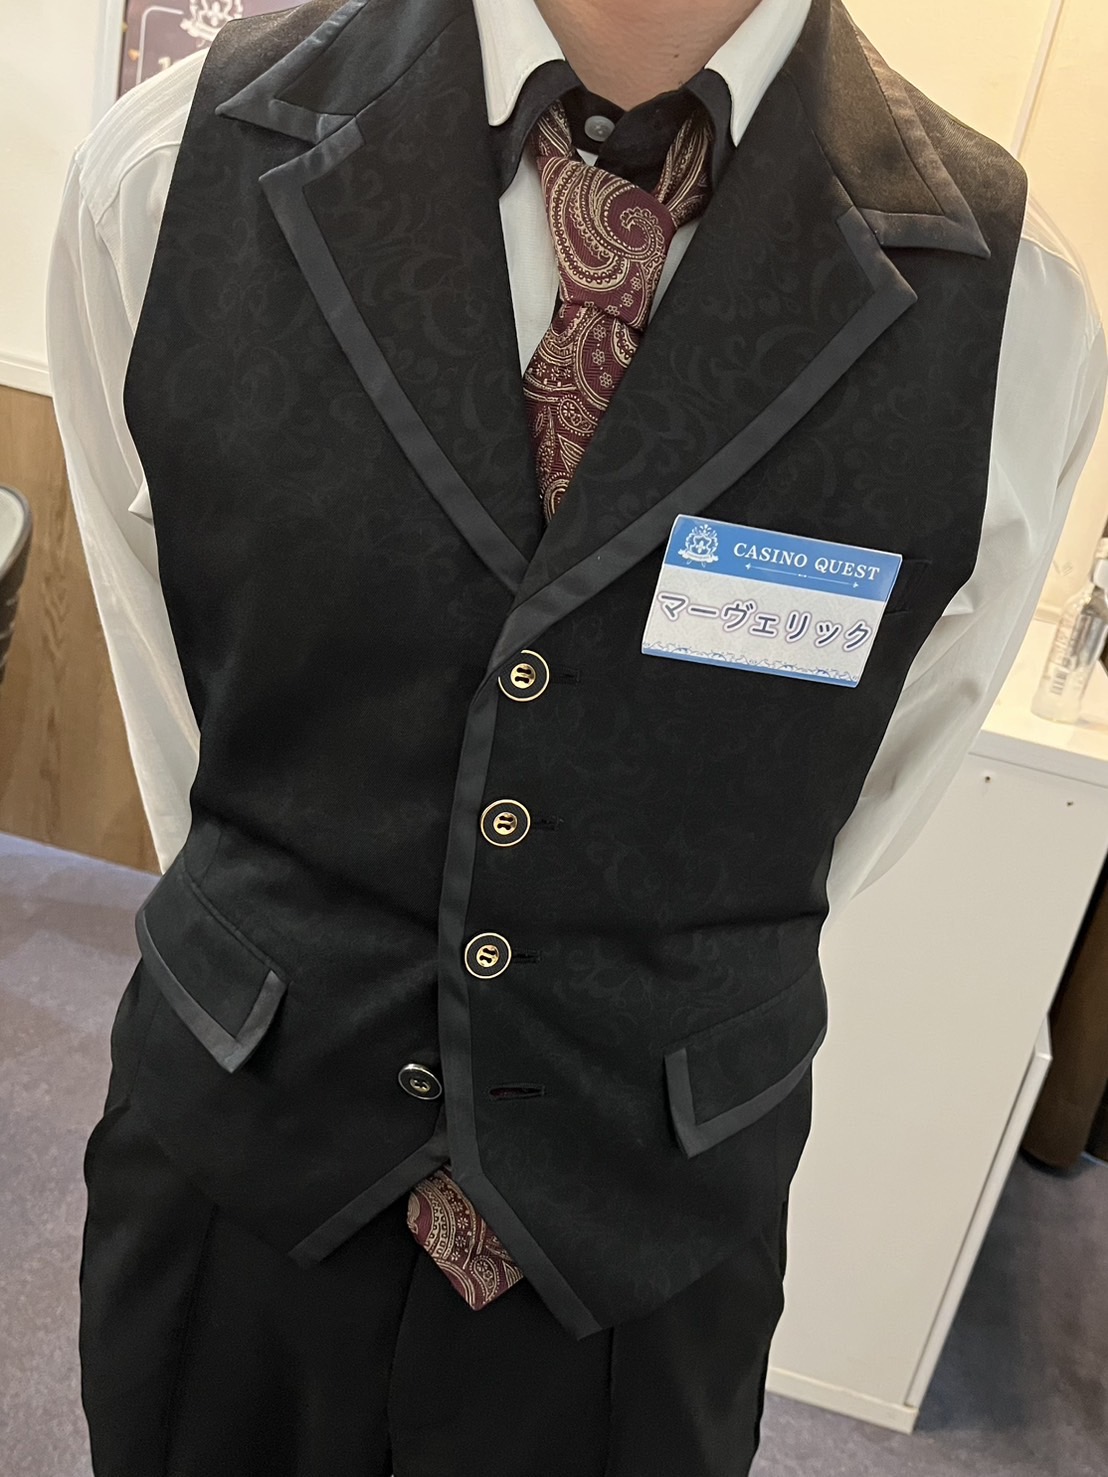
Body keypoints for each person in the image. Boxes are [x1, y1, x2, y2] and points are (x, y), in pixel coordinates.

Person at [46, 0, 1106, 1473]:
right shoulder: (170, 170)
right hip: (241, 1163)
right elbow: (176, 693)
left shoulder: (1009, 298)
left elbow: (867, 789)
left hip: (643, 1237)